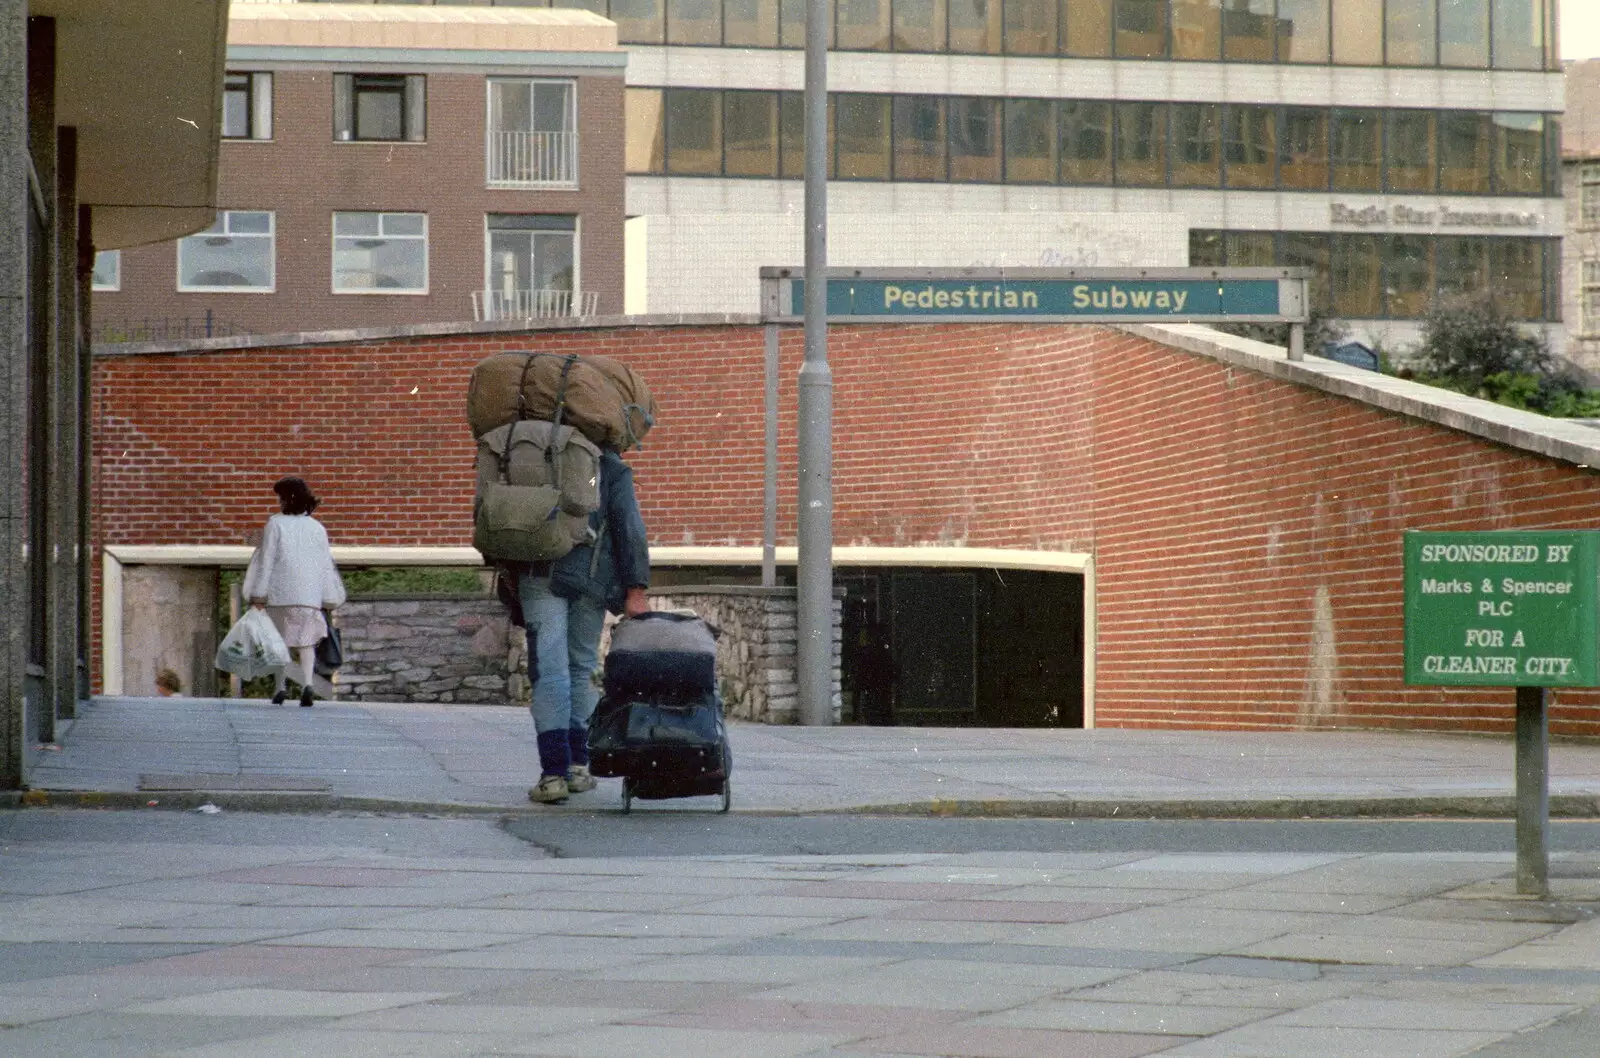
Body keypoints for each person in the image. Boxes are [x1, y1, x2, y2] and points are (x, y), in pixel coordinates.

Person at [515, 447, 650, 804]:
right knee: (578, 668)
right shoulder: (610, 467)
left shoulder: (532, 450)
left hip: (538, 574)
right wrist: (636, 588)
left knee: (549, 670)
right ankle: (576, 767)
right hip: (591, 579)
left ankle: (552, 774)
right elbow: (628, 526)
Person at [242, 476, 346, 708]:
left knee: (280, 642)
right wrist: (328, 595)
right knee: (306, 643)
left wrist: (258, 594)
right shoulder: (317, 528)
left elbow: (267, 561)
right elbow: (325, 564)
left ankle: (280, 687)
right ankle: (307, 684)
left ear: (286, 499)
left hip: (280, 595)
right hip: (309, 596)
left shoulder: (275, 524)